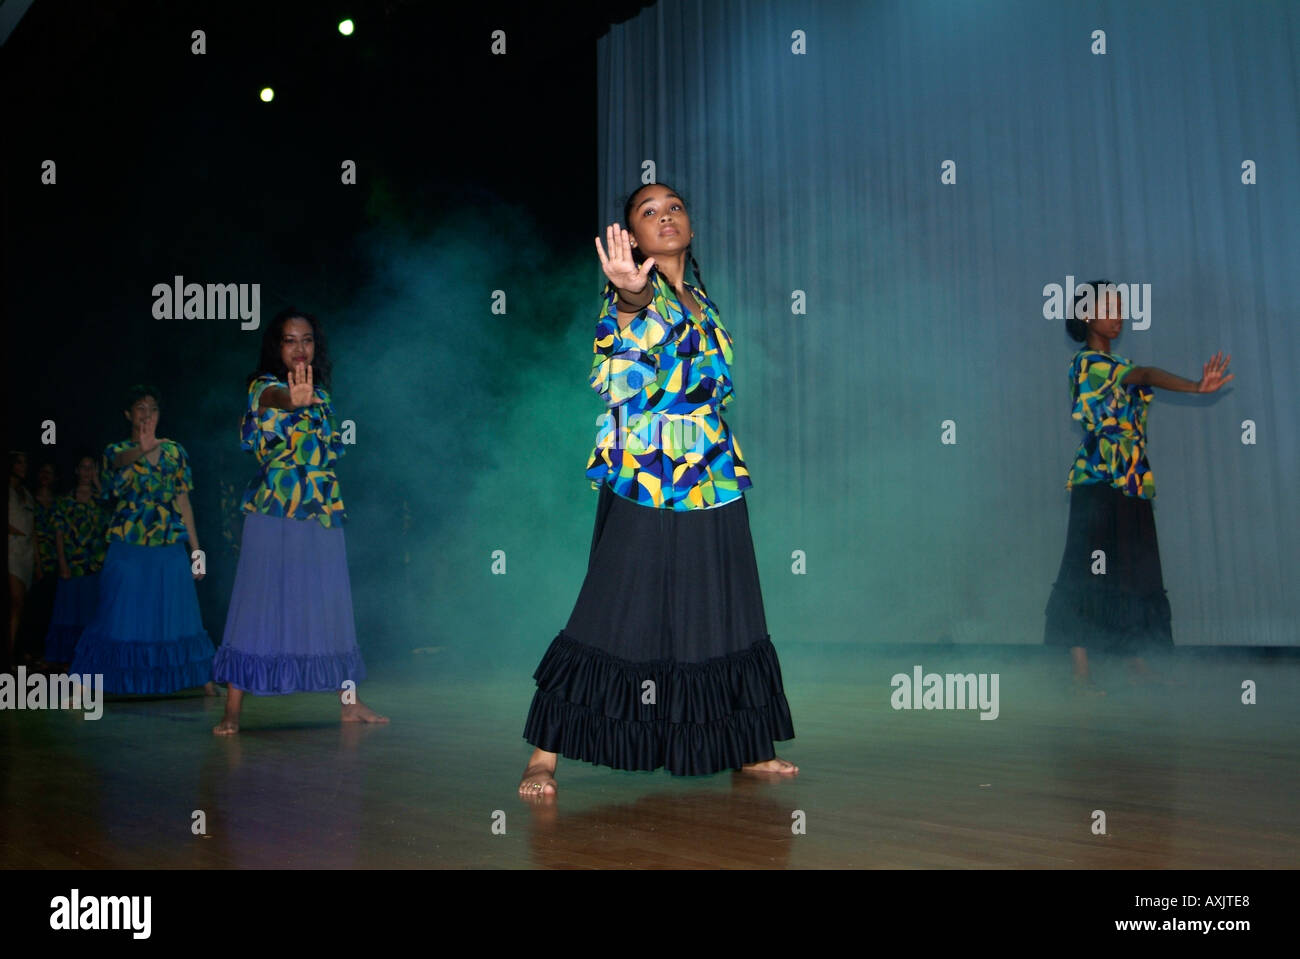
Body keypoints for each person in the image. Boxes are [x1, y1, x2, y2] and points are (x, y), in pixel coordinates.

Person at [519, 182, 797, 796]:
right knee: (613, 604)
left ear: (689, 227)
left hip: (713, 475)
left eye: (674, 207)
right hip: (647, 474)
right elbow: (629, 318)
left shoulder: (700, 299)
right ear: (633, 238)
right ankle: (544, 754)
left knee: (725, 606)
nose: (665, 216)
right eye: (649, 212)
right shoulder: (635, 295)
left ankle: (747, 746)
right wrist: (630, 290)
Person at [1044, 280, 1233, 693]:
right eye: (1108, 308)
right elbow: (1144, 374)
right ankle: (1080, 671)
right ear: (1085, 317)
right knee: (1084, 569)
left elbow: (1137, 380)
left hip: (1130, 481)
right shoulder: (1087, 364)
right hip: (1097, 482)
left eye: (1119, 307)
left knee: (1133, 572)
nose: (1117, 315)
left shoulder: (1119, 363)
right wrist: (1196, 387)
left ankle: (1136, 659)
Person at [212, 308, 387, 734]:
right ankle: (232, 710)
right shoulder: (263, 387)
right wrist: (293, 400)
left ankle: (349, 703)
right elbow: (278, 400)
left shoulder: (323, 396)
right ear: (277, 346)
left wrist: (308, 399)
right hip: (275, 507)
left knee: (331, 602)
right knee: (259, 598)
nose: (299, 348)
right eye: (290, 340)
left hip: (320, 507)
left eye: (306, 339)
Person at [68, 386, 216, 693]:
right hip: (128, 540)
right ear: (128, 414)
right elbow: (109, 485)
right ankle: (87, 683)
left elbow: (183, 501)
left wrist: (196, 551)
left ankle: (201, 679)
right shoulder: (115, 451)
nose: (147, 414)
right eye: (140, 408)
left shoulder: (176, 451)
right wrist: (144, 449)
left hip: (167, 540)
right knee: (118, 611)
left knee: (178, 612)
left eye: (153, 409)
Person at [44, 454, 110, 668]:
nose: (86, 472)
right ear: (76, 470)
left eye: (91, 468)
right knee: (69, 612)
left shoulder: (100, 500)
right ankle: (67, 662)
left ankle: (90, 660)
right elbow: (59, 533)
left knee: (91, 613)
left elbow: (111, 518)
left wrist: (99, 482)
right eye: (83, 467)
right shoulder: (65, 501)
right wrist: (62, 562)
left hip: (94, 565)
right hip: (72, 566)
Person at [7, 451, 37, 669]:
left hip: (26, 554)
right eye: (19, 462)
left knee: (20, 606)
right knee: (15, 601)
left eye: (26, 462)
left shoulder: (27, 494)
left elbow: (33, 529)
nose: (23, 466)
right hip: (10, 550)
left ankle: (15, 652)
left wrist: (38, 561)